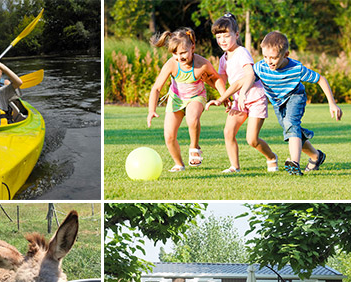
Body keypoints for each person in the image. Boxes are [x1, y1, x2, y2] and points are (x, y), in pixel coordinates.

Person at [250, 31, 340, 176]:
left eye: (273, 57)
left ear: (286, 54)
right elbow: (246, 80)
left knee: (291, 124)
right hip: (278, 103)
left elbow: (321, 79)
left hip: (295, 96)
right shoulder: (261, 67)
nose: (268, 61)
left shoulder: (296, 69)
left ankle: (294, 163)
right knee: (292, 130)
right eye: (265, 56)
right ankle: (316, 156)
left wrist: (332, 103)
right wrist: (228, 96)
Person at [204, 13, 278, 174]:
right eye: (218, 36)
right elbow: (220, 81)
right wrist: (220, 94)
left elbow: (249, 75)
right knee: (228, 132)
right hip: (239, 101)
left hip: (254, 98)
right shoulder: (223, 58)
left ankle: (271, 157)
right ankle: (234, 167)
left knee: (252, 140)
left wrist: (241, 93)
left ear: (236, 35)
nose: (222, 40)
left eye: (226, 35)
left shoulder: (242, 52)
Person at [146, 28, 225, 172]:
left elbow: (216, 79)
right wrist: (152, 110)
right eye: (175, 53)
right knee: (169, 136)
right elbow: (156, 88)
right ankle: (179, 164)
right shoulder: (172, 64)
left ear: (192, 47)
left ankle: (194, 146)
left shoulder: (202, 63)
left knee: (192, 118)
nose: (179, 57)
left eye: (183, 53)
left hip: (196, 97)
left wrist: (224, 97)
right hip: (176, 99)